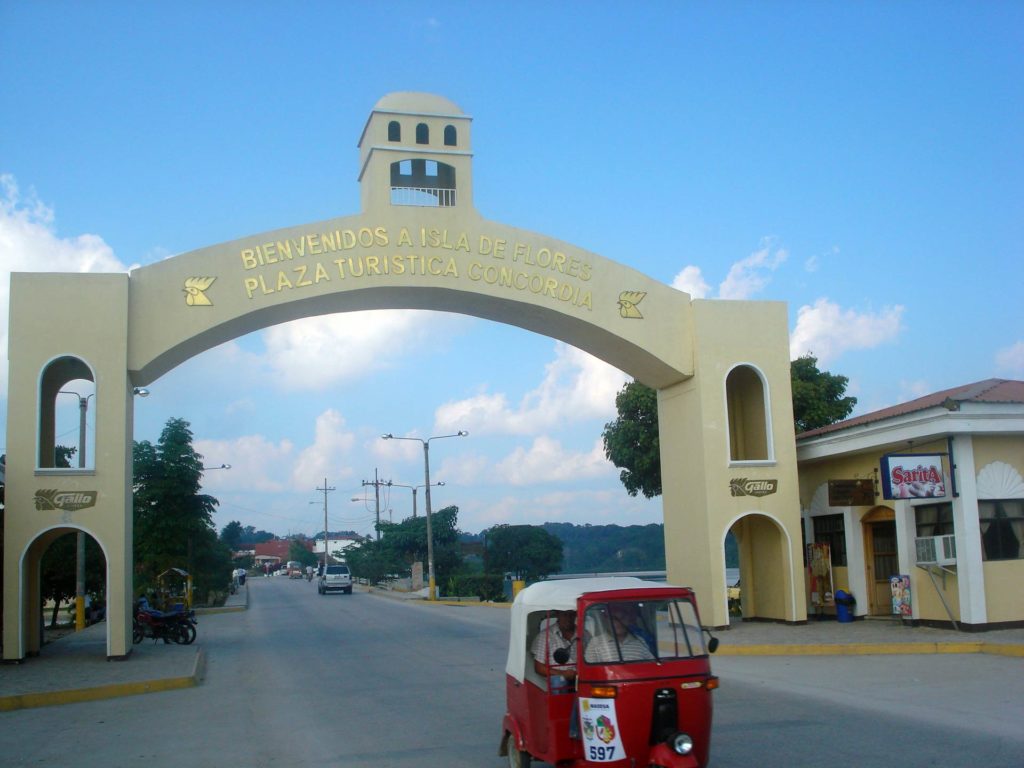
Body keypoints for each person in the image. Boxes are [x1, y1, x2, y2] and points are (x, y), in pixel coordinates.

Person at [584, 603, 655, 662]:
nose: (618, 623)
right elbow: (590, 673)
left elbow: (651, 664)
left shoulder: (640, 641)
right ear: (606, 620)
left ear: (629, 619)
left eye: (622, 618)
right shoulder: (595, 643)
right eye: (614, 619)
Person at [531, 610, 578, 691]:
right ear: (557, 614)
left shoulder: (584, 633)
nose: (568, 618)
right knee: (558, 681)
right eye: (565, 614)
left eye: (571, 614)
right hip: (559, 678)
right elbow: (539, 668)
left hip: (581, 676)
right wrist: (563, 674)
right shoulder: (545, 636)